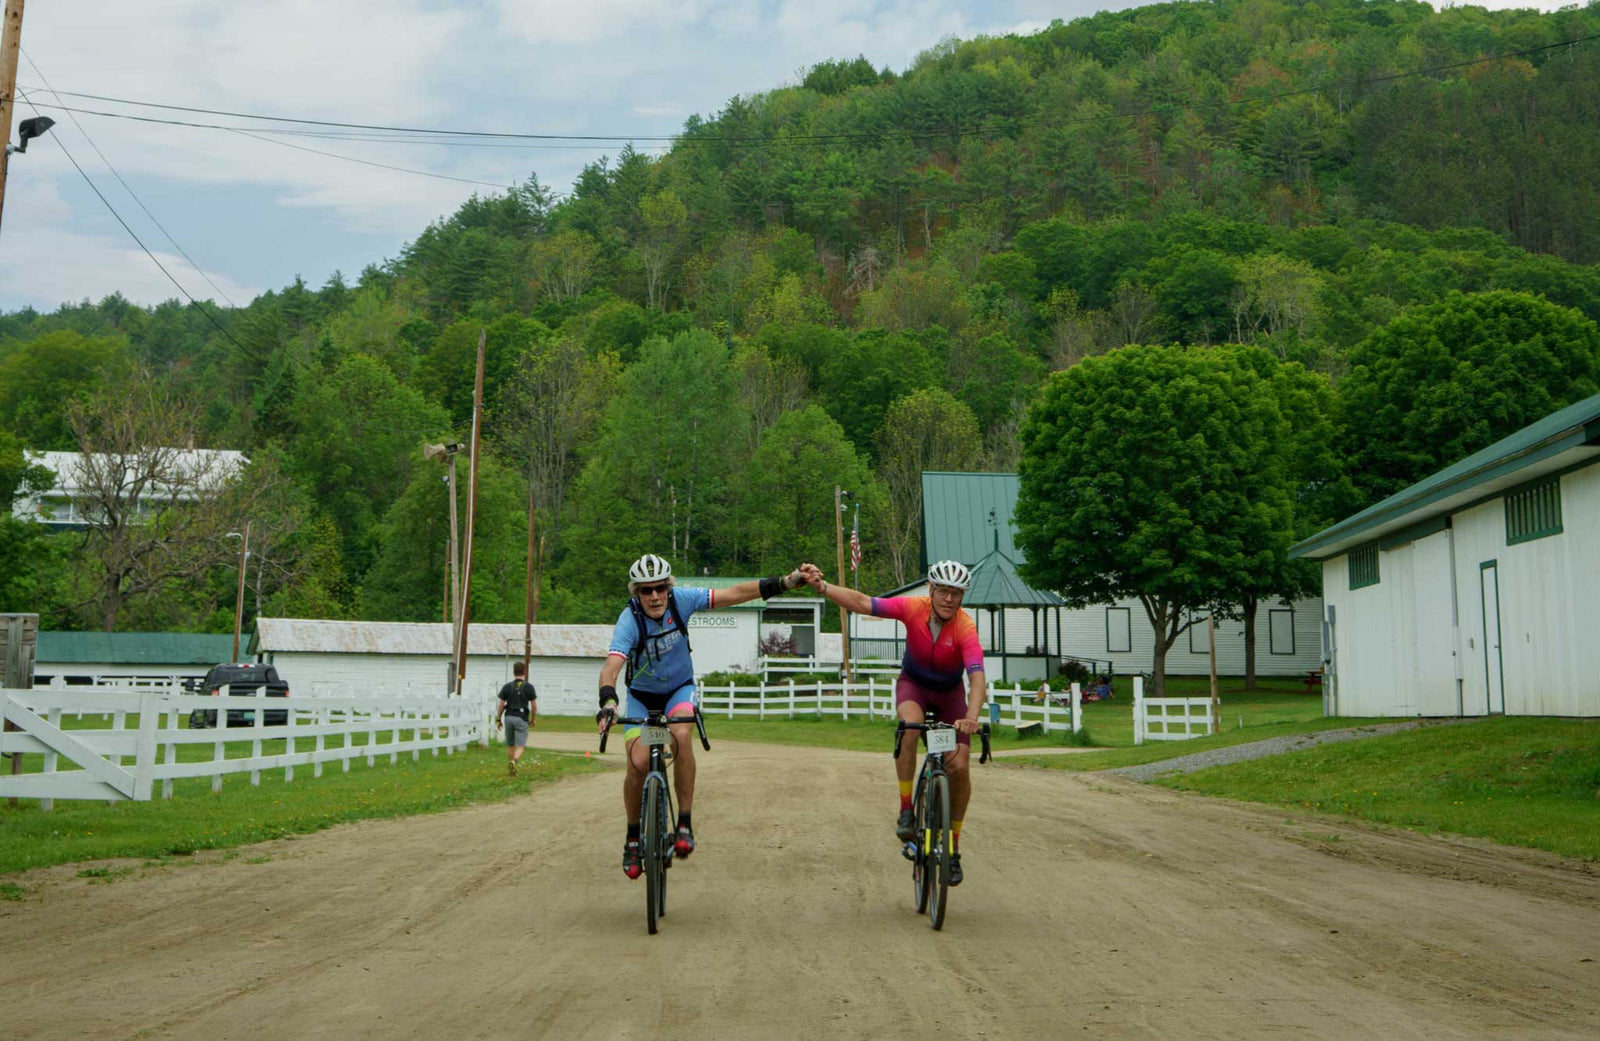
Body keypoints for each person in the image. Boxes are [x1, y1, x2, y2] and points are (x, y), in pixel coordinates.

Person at [597, 553, 806, 880]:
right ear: (636, 593)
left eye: (660, 588)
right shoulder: (629, 620)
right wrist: (608, 702)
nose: (655, 596)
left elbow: (734, 594)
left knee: (681, 735)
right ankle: (633, 838)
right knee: (637, 763)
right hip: (641, 698)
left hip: (678, 689)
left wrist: (785, 582)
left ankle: (684, 823)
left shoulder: (683, 600)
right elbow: (611, 668)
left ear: (669, 587)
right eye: (646, 590)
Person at [800, 559, 986, 886]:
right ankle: (906, 809)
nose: (949, 599)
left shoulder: (965, 627)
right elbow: (863, 603)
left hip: (950, 696)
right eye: (944, 591)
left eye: (956, 593)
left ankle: (953, 847)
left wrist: (970, 718)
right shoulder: (913, 608)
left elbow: (977, 676)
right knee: (910, 726)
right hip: (914, 685)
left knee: (959, 765)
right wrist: (824, 587)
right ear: (932, 589)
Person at [495, 660, 537, 776]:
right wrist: (533, 719)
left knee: (510, 745)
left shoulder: (507, 687)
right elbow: (534, 706)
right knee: (520, 746)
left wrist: (498, 719)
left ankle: (511, 767)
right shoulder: (529, 687)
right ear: (524, 671)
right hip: (521, 718)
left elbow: (501, 705)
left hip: (508, 717)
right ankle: (514, 761)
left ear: (513, 672)